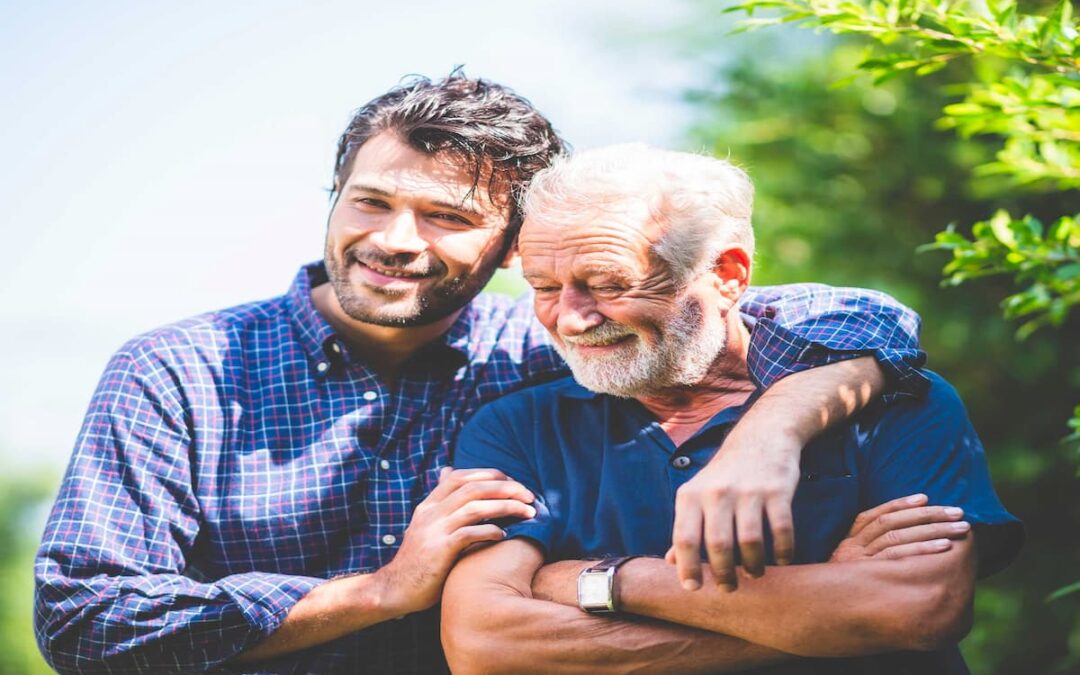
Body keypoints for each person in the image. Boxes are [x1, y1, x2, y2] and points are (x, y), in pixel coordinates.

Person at [35, 75, 928, 674]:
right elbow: (85, 619)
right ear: (334, 197)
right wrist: (378, 591)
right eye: (371, 201)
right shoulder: (175, 371)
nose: (394, 240)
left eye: (446, 217)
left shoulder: (558, 348)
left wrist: (774, 430)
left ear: (511, 248)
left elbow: (854, 316)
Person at [444, 144, 1023, 674]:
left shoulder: (889, 401)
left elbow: (920, 609)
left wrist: (599, 582)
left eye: (608, 284)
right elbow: (484, 644)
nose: (570, 318)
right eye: (545, 288)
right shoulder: (516, 428)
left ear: (726, 274)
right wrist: (827, 612)